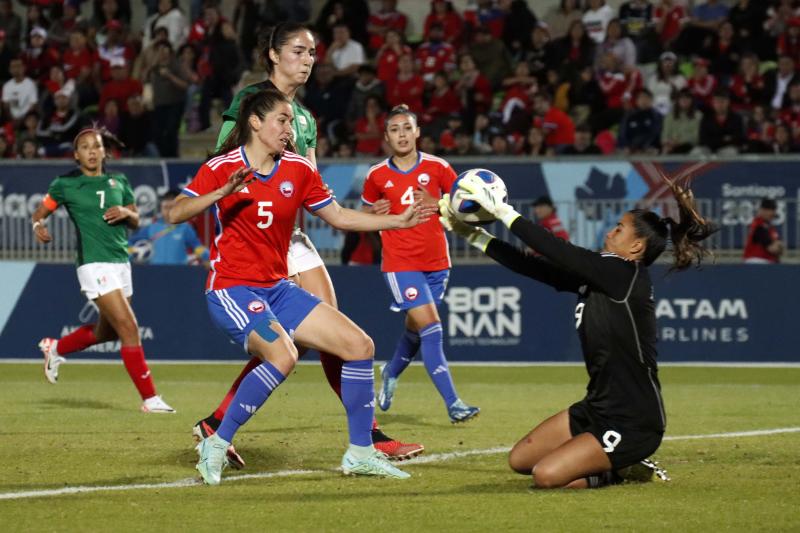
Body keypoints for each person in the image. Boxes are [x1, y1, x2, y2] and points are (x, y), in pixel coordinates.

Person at [170, 89, 431, 485]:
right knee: (283, 355)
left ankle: (360, 452)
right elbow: (173, 211)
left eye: (291, 121)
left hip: (276, 287)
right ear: (255, 123)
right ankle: (217, 442)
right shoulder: (222, 167)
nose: (289, 129)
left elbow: (340, 216)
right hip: (233, 288)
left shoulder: (298, 169)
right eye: (282, 120)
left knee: (359, 346)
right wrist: (222, 192)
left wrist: (398, 221)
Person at [440, 171, 716, 489]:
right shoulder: (602, 275)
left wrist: (504, 212)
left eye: (619, 228)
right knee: (520, 461)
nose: (611, 232)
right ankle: (601, 459)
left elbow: (558, 250)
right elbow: (531, 265)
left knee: (546, 476)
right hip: (596, 406)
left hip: (634, 421)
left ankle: (622, 469)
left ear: (637, 246)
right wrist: (470, 234)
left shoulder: (624, 274)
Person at [31, 127, 175, 414]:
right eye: (85, 147)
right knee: (129, 327)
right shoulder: (65, 184)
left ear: (104, 151)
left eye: (96, 146)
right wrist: (38, 226)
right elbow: (40, 212)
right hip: (93, 263)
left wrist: (126, 213)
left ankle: (55, 348)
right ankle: (150, 398)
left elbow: (135, 220)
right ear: (76, 155)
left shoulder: (119, 181)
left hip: (121, 263)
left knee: (106, 333)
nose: (92, 151)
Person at [365, 104, 480, 424]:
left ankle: (390, 371)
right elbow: (367, 215)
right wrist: (375, 216)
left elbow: (464, 209)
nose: (401, 134)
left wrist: (440, 203)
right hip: (400, 264)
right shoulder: (376, 176)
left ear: (417, 132)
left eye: (407, 128)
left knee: (415, 332)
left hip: (437, 263)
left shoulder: (440, 168)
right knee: (432, 329)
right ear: (386, 137)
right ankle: (454, 403)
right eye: (394, 129)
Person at [128, 190, 208, 265]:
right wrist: (131, 252)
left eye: (172, 207)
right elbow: (130, 243)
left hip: (180, 273)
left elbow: (197, 247)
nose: (169, 211)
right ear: (161, 209)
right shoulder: (151, 228)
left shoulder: (185, 228)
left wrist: (208, 258)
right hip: (154, 273)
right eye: (165, 207)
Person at [743, 198, 783, 264]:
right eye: (768, 210)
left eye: (773, 210)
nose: (771, 213)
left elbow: (779, 248)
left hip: (765, 262)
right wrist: (779, 245)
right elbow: (772, 249)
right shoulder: (759, 226)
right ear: (762, 210)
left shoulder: (769, 226)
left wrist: (779, 246)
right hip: (756, 261)